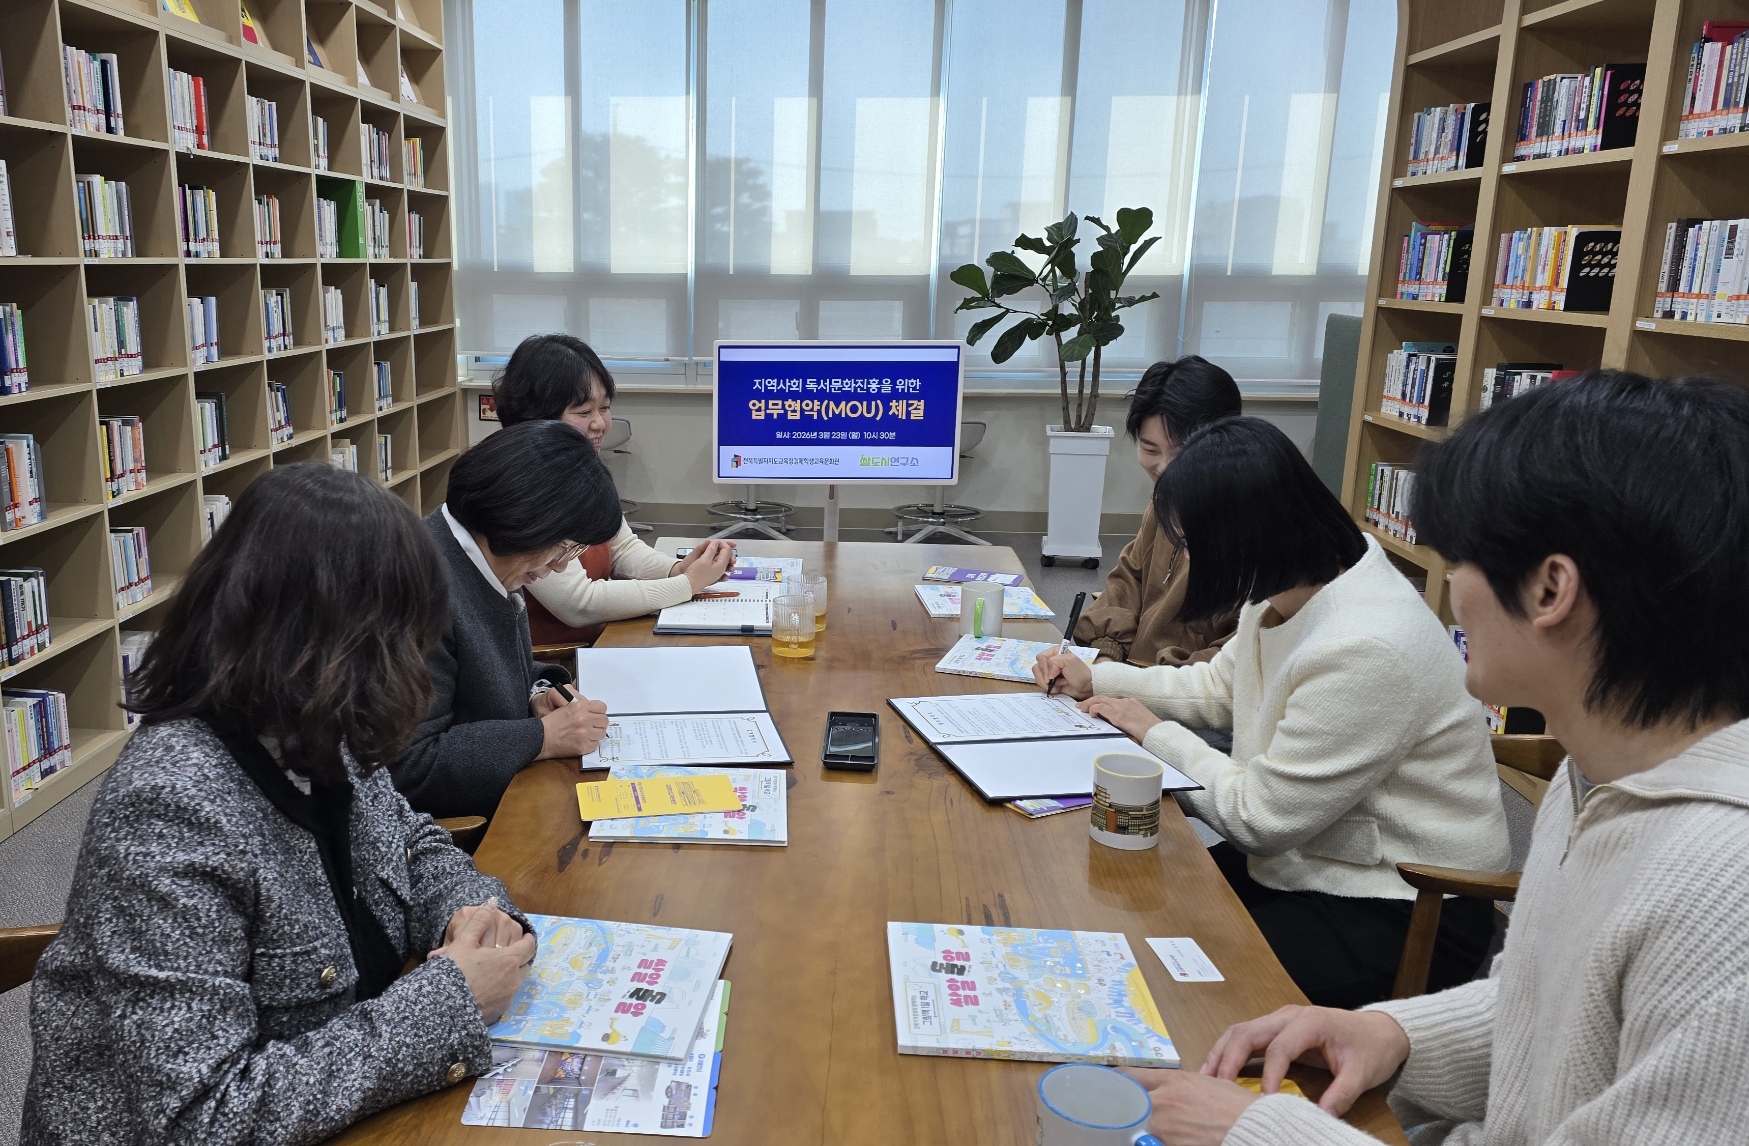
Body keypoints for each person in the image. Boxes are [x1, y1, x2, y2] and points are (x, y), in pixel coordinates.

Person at [1123, 371, 1749, 1146]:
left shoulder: (1721, 895)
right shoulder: (1597, 776)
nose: (1448, 591)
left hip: (1384, 906)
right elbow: (1543, 1006)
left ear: (1550, 590)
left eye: (1464, 560)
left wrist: (1264, 1131)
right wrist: (1394, 1033)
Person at [21, 465, 537, 1145]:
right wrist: (448, 1001)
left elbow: (408, 841)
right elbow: (202, 1118)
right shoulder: (169, 807)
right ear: (324, 642)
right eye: (398, 639)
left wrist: (469, 911)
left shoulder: (320, 721)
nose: (414, 664)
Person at [1035, 416, 1508, 1010]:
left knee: (1172, 986)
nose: (1188, 559)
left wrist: (1154, 735)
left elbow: (1260, 817)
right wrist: (1097, 679)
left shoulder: (1365, 645)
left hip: (1402, 902)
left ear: (1239, 538)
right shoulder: (1292, 585)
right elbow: (1218, 687)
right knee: (1137, 909)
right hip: (1309, 860)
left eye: (1193, 543)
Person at [391, 420, 621, 818]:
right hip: (462, 828)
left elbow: (491, 671)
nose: (561, 565)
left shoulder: (485, 558)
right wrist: (541, 738)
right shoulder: (419, 593)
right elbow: (410, 766)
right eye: (564, 546)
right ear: (523, 517)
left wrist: (538, 695)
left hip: (510, 787)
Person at [491, 333, 736, 644]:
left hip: (601, 638)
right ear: (537, 415)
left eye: (604, 407)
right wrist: (688, 584)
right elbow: (578, 603)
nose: (599, 424)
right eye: (583, 412)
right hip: (556, 658)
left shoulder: (579, 467)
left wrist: (677, 569)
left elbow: (621, 548)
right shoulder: (520, 485)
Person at [1074, 356, 1243, 666]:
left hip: (1184, 689)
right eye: (1150, 449)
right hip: (1133, 677)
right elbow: (1129, 581)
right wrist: (1105, 659)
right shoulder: (1163, 503)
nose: (1165, 468)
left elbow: (1238, 653)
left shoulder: (1248, 523)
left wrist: (1129, 684)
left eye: (1182, 453)